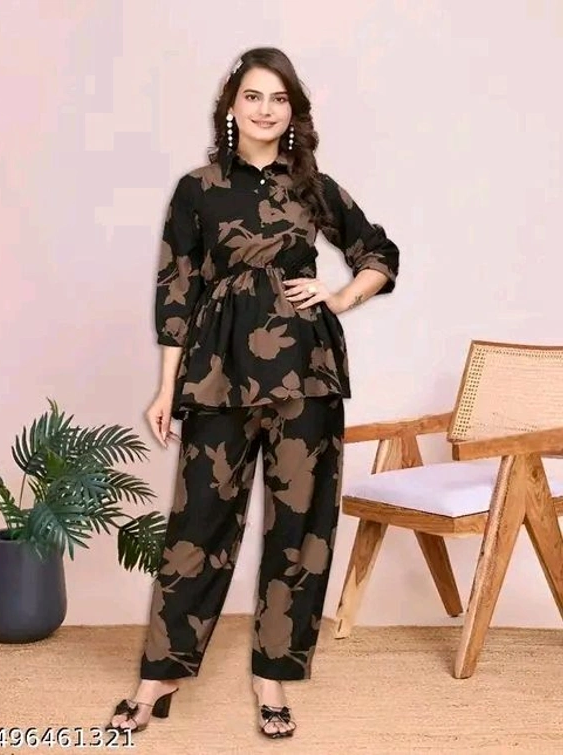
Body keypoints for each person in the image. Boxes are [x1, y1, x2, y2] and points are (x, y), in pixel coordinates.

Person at [107, 46, 400, 740]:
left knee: (300, 529)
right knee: (199, 522)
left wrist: (339, 297)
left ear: (293, 112)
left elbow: (379, 254)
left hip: (306, 372)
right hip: (217, 371)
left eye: (279, 98)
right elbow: (176, 290)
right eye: (253, 96)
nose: (266, 109)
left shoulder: (314, 187)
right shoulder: (198, 189)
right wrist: (166, 386)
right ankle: (160, 675)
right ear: (231, 107)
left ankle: (274, 676)